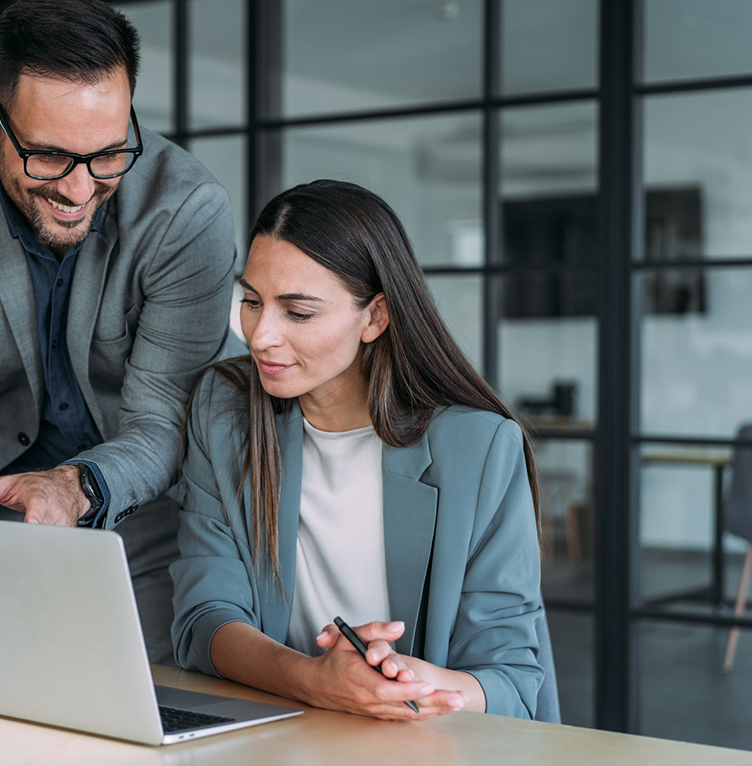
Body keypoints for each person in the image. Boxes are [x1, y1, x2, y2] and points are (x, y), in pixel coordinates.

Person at [0, 0, 237, 665]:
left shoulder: (187, 211)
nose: (79, 189)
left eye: (107, 155)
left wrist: (78, 485)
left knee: (154, 718)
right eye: (48, 157)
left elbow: (165, 422)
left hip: (147, 511)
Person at [170, 180, 546, 719]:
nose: (259, 336)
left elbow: (512, 681)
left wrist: (413, 681)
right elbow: (203, 619)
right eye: (251, 302)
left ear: (375, 316)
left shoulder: (479, 448)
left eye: (297, 313)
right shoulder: (225, 410)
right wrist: (313, 680)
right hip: (277, 737)